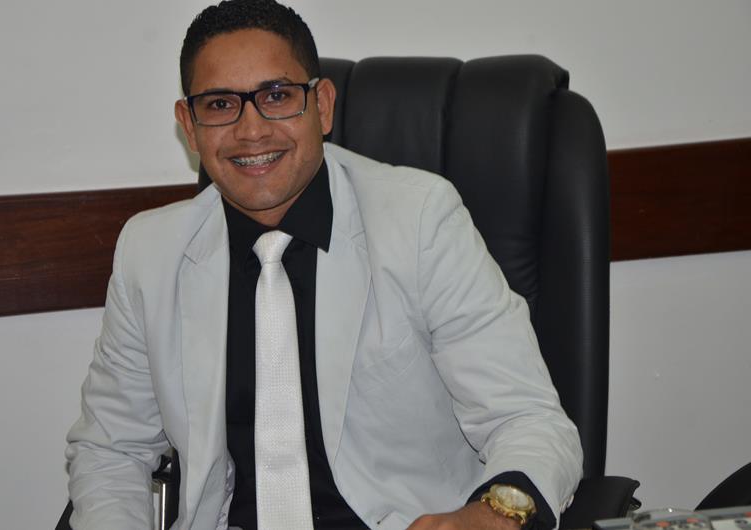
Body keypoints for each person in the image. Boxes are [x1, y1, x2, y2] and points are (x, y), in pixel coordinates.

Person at [65, 1, 583, 529]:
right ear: (190, 126)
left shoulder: (419, 220)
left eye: (276, 96)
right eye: (220, 104)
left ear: (323, 105)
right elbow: (111, 449)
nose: (251, 130)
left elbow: (528, 419)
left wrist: (495, 515)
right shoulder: (150, 253)